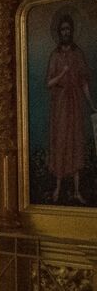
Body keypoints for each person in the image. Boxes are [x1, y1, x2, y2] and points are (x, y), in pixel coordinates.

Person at [46, 13, 94, 203]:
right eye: (63, 29)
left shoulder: (78, 54)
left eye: (68, 29)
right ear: (59, 32)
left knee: (75, 143)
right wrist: (62, 74)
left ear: (72, 31)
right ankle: (58, 188)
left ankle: (76, 190)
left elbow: (84, 83)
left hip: (74, 105)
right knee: (61, 143)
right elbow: (49, 82)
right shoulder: (55, 55)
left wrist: (91, 105)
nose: (66, 32)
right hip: (60, 106)